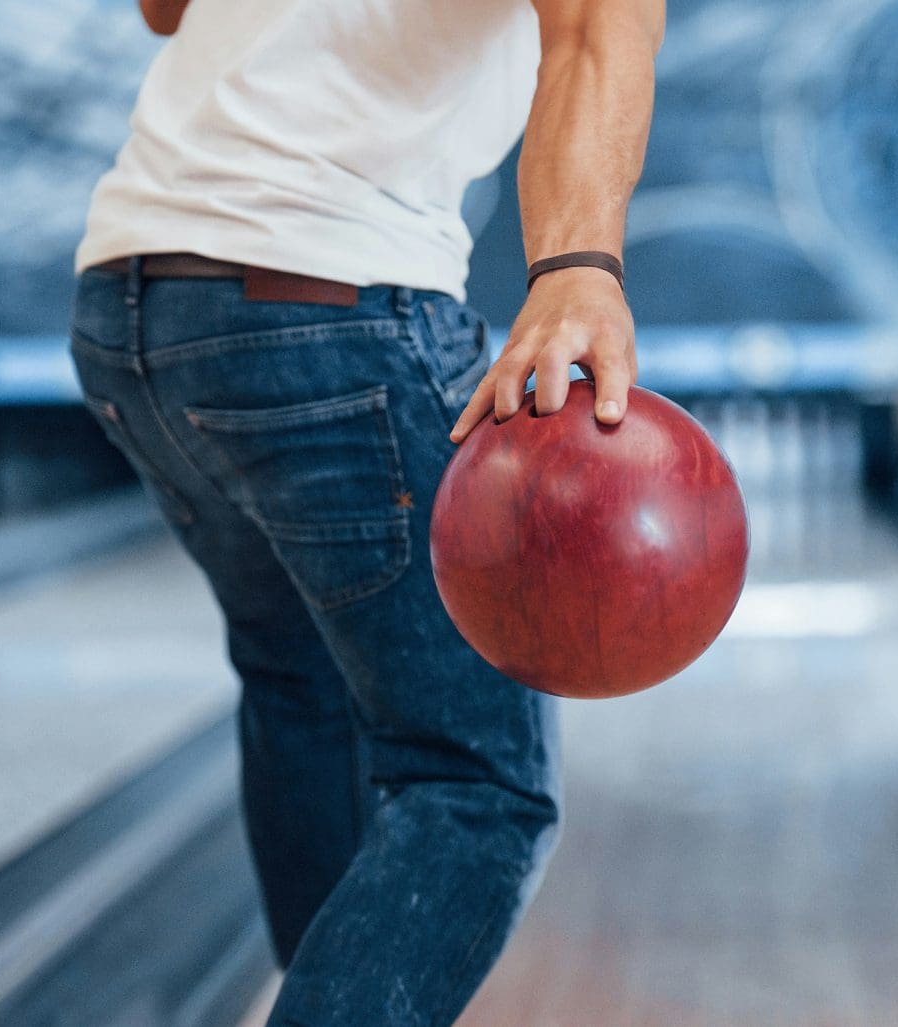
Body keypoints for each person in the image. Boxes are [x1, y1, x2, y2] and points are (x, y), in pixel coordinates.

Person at [68, 0, 663, 1022]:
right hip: (331, 299)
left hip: (133, 308)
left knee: (303, 692)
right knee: (477, 787)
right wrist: (576, 273)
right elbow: (597, 28)